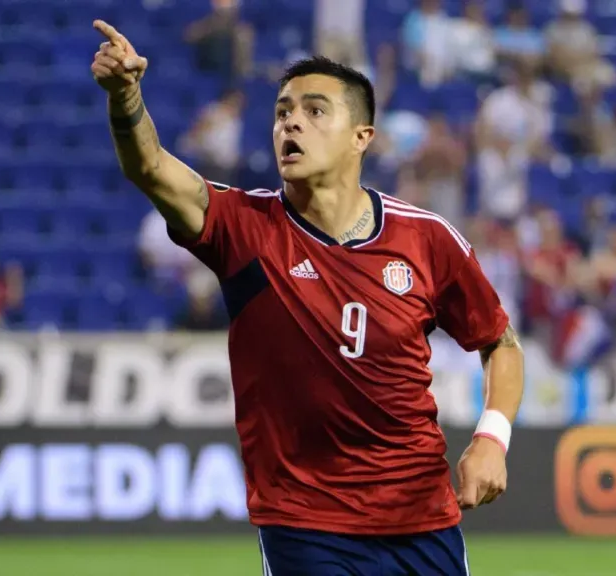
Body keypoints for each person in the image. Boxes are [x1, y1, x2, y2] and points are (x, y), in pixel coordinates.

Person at [91, 22, 525, 575]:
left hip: (422, 518)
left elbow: (500, 343)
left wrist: (492, 438)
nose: (291, 121)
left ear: (361, 136)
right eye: (281, 112)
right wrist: (126, 95)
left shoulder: (427, 239)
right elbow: (150, 168)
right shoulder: (244, 228)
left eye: (315, 110)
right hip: (305, 525)